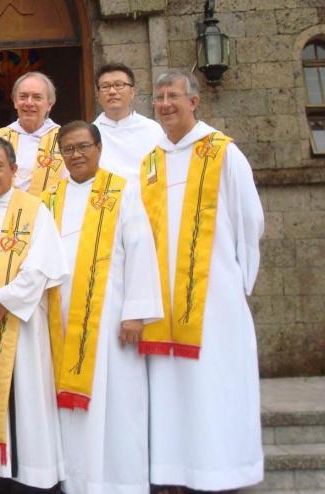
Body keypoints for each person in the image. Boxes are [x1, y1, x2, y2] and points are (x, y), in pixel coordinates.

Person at [142, 69, 264, 492]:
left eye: (174, 96)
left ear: (194, 102)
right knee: (169, 386)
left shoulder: (223, 152)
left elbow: (250, 219)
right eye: (159, 97)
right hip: (161, 299)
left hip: (214, 294)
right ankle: (174, 473)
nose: (166, 104)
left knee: (214, 383)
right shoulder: (151, 160)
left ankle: (222, 470)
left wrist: (238, 282)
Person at [41, 121, 163, 494]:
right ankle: (76, 482)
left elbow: (141, 249)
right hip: (59, 321)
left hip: (110, 319)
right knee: (68, 411)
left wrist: (135, 312)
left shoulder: (121, 191)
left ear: (98, 148)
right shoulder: (49, 199)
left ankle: (122, 483)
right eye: (69, 149)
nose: (76, 155)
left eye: (83, 147)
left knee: (118, 403)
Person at [0, 137, 69, 493]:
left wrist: (4, 299)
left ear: (14, 170)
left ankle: (28, 475)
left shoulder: (35, 210)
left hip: (20, 321)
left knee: (22, 394)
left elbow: (41, 266)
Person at [0, 71, 64, 196]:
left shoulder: (65, 140)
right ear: (14, 101)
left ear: (49, 104)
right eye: (23, 96)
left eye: (37, 97)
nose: (29, 103)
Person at [92, 63, 165, 179]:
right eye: (105, 86)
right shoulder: (90, 133)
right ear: (98, 95)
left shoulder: (151, 129)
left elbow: (159, 172)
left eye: (118, 85)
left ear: (132, 92)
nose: (112, 91)